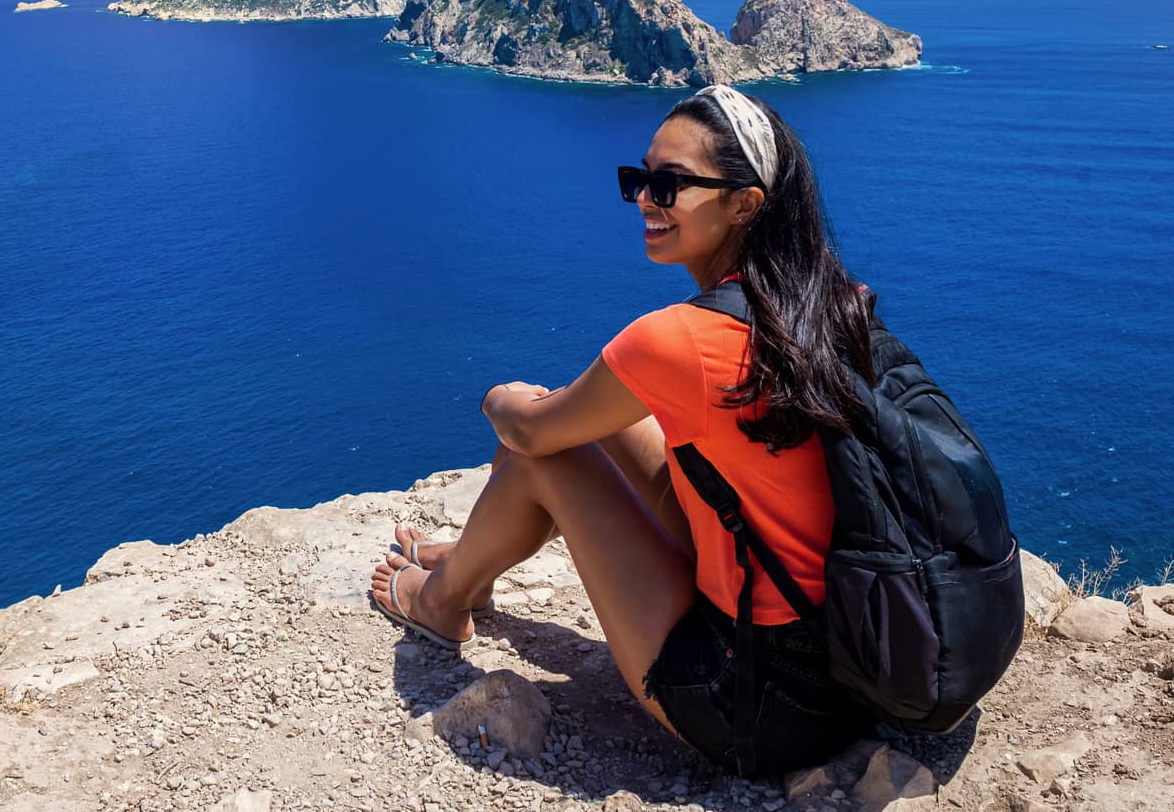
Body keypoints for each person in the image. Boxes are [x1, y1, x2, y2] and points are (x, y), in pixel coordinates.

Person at [367, 83, 879, 777]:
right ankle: (473, 560)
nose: (644, 199)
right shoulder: (830, 304)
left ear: (743, 203)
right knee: (591, 422)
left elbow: (530, 433)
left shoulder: (680, 340)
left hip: (755, 702)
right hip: (852, 662)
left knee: (541, 449)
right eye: (638, 179)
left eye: (669, 185)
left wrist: (499, 396)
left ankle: (443, 599)